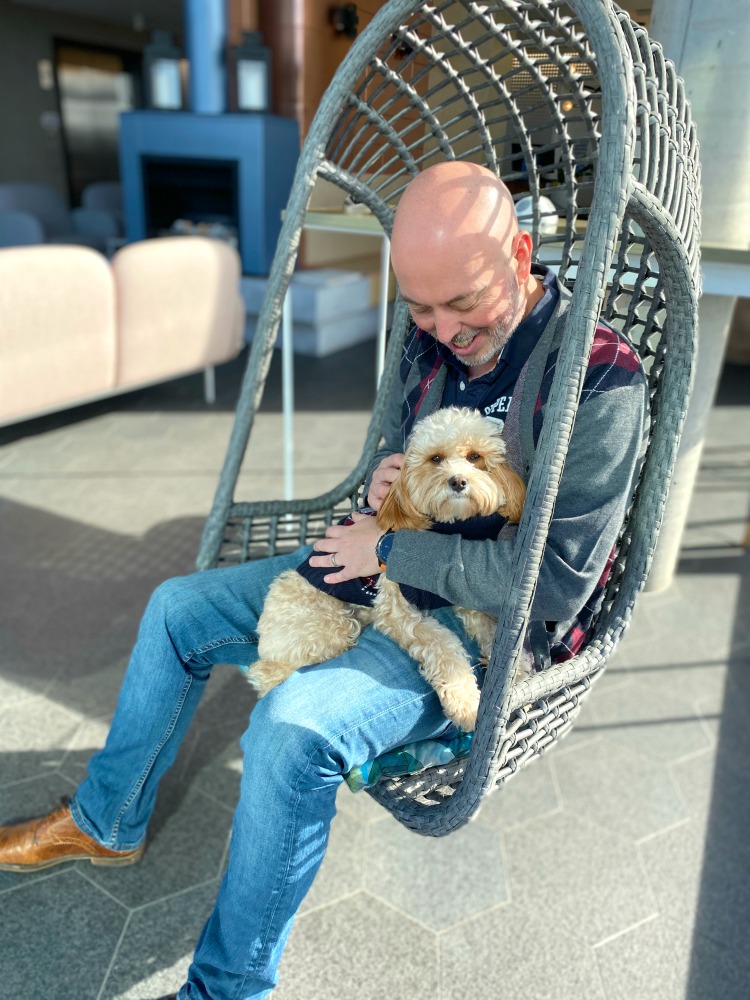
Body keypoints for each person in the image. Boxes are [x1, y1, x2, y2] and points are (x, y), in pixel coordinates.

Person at [0, 162, 648, 999]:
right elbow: (393, 474)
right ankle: (105, 822)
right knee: (176, 610)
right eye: (420, 305)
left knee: (291, 728)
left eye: (463, 303)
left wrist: (391, 555)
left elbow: (556, 586)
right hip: (376, 573)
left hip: (476, 627)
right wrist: (386, 487)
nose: (442, 329)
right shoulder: (421, 339)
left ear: (520, 255)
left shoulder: (598, 375)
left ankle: (228, 989)